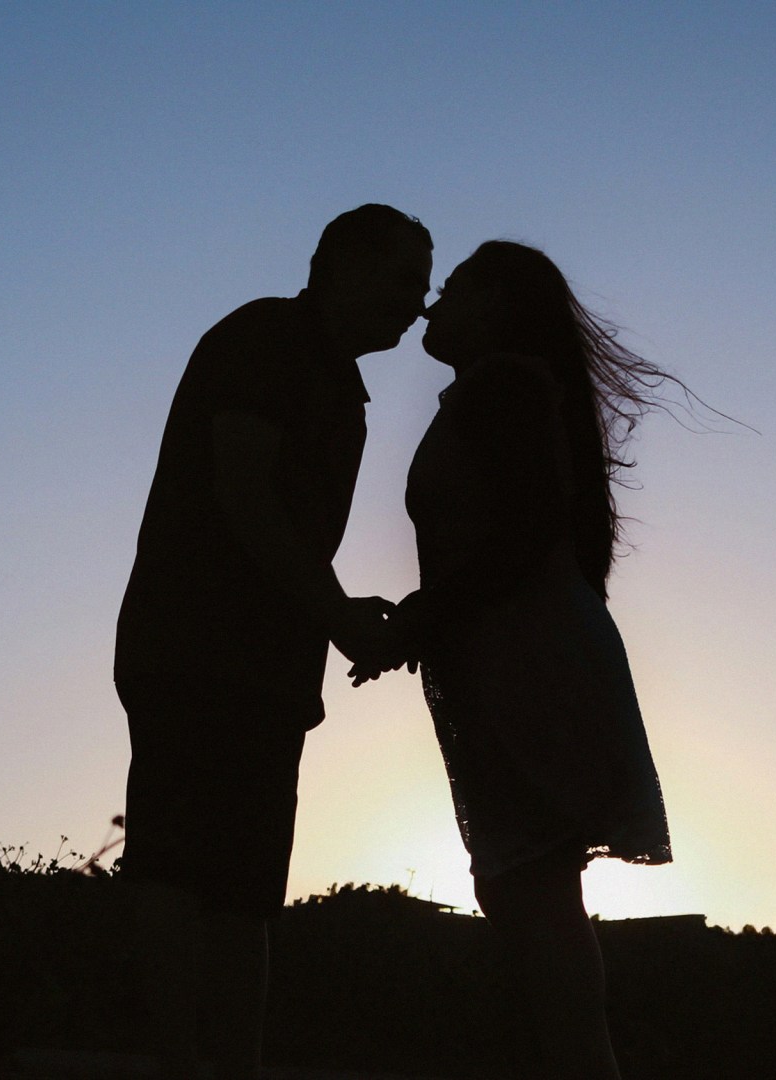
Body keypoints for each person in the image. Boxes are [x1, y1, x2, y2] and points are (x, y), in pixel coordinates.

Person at [114, 204, 433, 1080]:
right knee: (181, 874)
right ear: (345, 265)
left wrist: (330, 611)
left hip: (262, 665)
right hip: (196, 650)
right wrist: (337, 616)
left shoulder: (332, 380)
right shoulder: (269, 341)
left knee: (244, 895)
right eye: (407, 276)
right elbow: (244, 494)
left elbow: (278, 524)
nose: (421, 300)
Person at [354, 240, 678, 1079]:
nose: (431, 302)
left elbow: (524, 534)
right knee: (527, 889)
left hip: (523, 664)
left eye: (453, 286)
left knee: (530, 889)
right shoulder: (501, 393)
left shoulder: (504, 389)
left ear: (495, 302)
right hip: (510, 657)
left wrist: (417, 624)